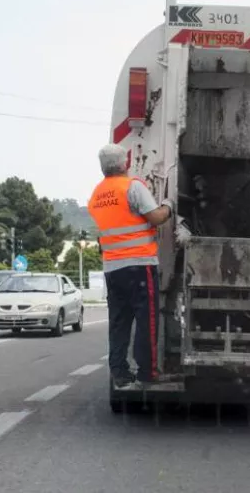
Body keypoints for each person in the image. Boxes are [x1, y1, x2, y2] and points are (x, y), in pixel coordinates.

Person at [88, 144, 174, 388]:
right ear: (125, 162)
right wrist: (168, 205)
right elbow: (155, 217)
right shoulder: (132, 187)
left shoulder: (97, 195)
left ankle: (120, 372)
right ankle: (147, 372)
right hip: (139, 265)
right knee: (146, 320)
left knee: (119, 322)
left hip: (112, 268)